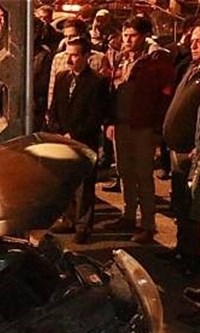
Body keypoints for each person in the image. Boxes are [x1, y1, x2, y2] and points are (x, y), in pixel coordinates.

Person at [106, 15, 173, 244]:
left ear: (144, 36)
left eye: (132, 35)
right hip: (121, 123)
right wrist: (110, 121)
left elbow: (164, 96)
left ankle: (147, 224)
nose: (127, 40)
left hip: (143, 126)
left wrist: (157, 129)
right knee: (124, 171)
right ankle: (128, 214)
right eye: (125, 35)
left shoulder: (156, 59)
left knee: (143, 175)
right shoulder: (122, 58)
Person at [47, 36, 109, 244]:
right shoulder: (62, 77)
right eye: (68, 55)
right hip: (63, 138)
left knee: (84, 185)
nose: (69, 60)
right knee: (66, 181)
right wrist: (57, 129)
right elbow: (54, 108)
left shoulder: (97, 82)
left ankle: (83, 226)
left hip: (83, 140)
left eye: (74, 55)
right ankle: (69, 218)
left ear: (86, 56)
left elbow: (96, 115)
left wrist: (73, 134)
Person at [162, 24, 200, 275]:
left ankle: (192, 258)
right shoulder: (191, 68)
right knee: (180, 204)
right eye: (193, 40)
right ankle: (181, 248)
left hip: (192, 151)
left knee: (193, 208)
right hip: (177, 148)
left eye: (199, 41)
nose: (194, 45)